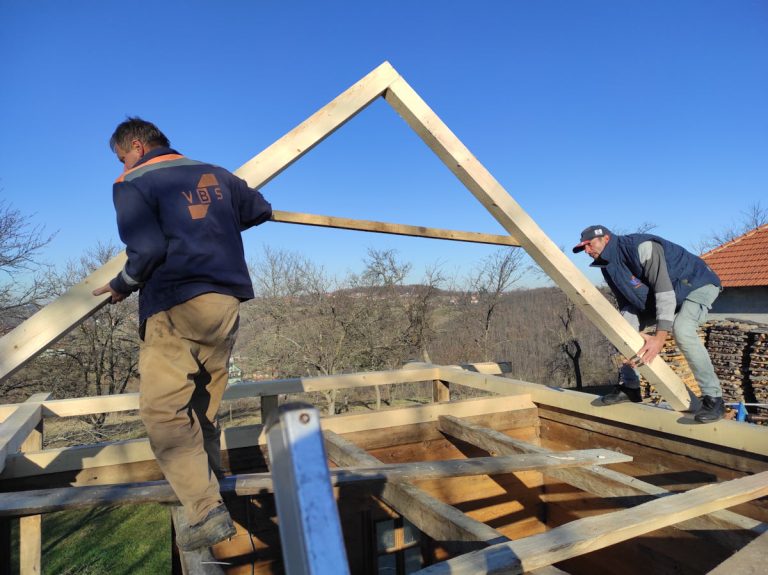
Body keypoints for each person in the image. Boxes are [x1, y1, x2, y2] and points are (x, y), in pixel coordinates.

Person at [93, 117, 272, 550]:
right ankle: (212, 486)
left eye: (121, 157)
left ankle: (204, 509)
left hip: (176, 303)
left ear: (135, 145)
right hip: (224, 303)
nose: (121, 164)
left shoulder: (132, 183)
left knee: (163, 412)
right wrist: (212, 225)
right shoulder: (217, 174)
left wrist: (122, 285)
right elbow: (260, 209)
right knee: (200, 406)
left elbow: (148, 250)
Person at [573, 225, 725, 423]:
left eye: (589, 245)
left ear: (606, 239)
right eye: (583, 248)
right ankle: (630, 387)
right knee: (621, 328)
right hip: (668, 294)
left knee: (682, 329)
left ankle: (714, 399)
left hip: (697, 284)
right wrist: (625, 337)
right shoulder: (607, 266)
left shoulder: (642, 247)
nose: (587, 251)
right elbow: (627, 302)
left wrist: (659, 338)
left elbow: (664, 291)